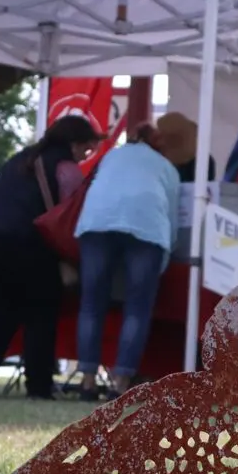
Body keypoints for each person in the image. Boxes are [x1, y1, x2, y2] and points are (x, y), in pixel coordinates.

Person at [0, 115, 102, 400]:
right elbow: (71, 217)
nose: (87, 156)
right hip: (25, 246)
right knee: (41, 315)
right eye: (87, 149)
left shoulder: (20, 159)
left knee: (0, 314)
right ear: (74, 144)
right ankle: (38, 385)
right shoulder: (66, 169)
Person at [73, 112, 193, 401]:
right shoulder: (167, 169)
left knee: (91, 303)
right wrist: (166, 255)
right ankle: (121, 381)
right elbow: (172, 220)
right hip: (146, 229)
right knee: (137, 307)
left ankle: (87, 381)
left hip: (96, 224)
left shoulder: (111, 157)